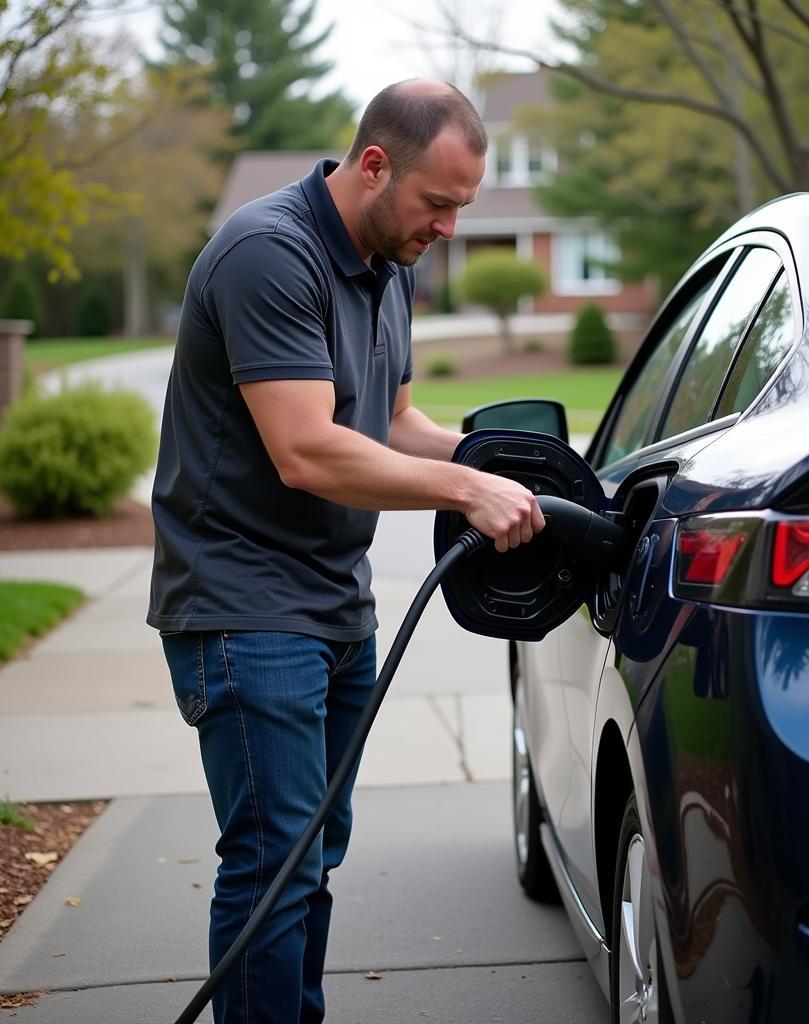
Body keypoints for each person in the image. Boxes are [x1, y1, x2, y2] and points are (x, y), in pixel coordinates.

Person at [147, 79, 544, 1024]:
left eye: (463, 206)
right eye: (437, 203)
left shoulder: (390, 260)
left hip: (334, 603)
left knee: (312, 853)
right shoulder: (267, 253)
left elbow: (396, 420)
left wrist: (512, 468)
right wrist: (465, 490)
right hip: (243, 606)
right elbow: (306, 447)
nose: (448, 229)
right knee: (273, 860)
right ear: (375, 165)